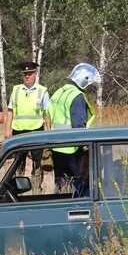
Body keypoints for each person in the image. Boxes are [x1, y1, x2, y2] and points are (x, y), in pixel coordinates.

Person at [46, 62, 101, 196]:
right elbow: (78, 126)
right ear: (84, 81)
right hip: (72, 148)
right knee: (79, 185)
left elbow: (48, 115)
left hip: (57, 146)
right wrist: (85, 146)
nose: (90, 88)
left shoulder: (59, 92)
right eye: (90, 85)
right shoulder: (77, 97)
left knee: (61, 186)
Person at [3, 60, 51, 189]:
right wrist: (7, 130)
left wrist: (49, 132)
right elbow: (10, 110)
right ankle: (19, 188)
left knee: (37, 162)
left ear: (35, 74)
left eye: (30, 73)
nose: (27, 76)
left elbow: (47, 114)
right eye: (25, 74)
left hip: (36, 131)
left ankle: (36, 187)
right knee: (18, 163)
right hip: (18, 132)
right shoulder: (16, 90)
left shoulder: (42, 91)